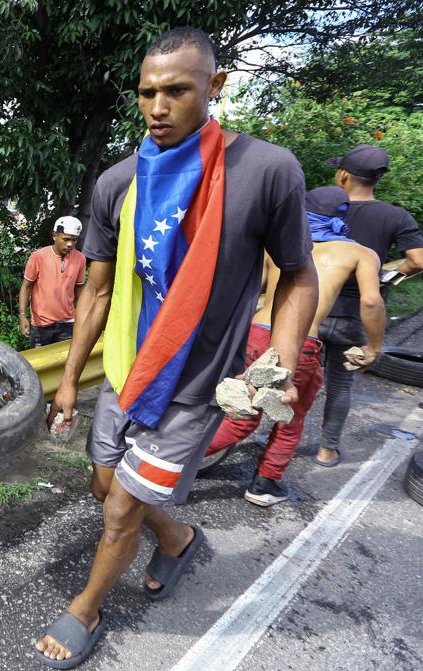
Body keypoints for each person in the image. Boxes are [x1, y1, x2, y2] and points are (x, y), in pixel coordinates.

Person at [35, 27, 318, 668]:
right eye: (147, 93)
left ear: (215, 87)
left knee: (121, 510)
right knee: (102, 483)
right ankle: (182, 536)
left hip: (195, 386)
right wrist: (70, 380)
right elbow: (98, 294)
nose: (158, 107)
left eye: (177, 91)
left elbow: (299, 272)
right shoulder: (116, 183)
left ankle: (86, 609)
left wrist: (282, 356)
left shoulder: (267, 170)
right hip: (127, 372)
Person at [205, 186, 385, 506]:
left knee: (245, 411)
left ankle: (173, 458)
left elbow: (248, 288)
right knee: (288, 416)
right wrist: (373, 347)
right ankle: (263, 483)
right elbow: (371, 302)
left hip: (257, 331)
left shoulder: (280, 244)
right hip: (300, 341)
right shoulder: (360, 253)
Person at [316, 144, 423, 466]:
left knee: (294, 376)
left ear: (344, 175)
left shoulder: (321, 207)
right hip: (358, 317)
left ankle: (275, 451)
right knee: (340, 382)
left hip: (312, 310)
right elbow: (418, 260)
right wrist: (387, 273)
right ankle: (327, 449)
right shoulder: (395, 215)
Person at [18, 216, 86, 347]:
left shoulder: (80, 259)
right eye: (65, 239)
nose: (70, 244)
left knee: (65, 362)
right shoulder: (38, 257)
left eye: (74, 240)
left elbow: (80, 288)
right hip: (41, 324)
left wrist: (83, 315)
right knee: (40, 362)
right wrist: (22, 315)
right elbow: (26, 286)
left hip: (68, 322)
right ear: (55, 236)